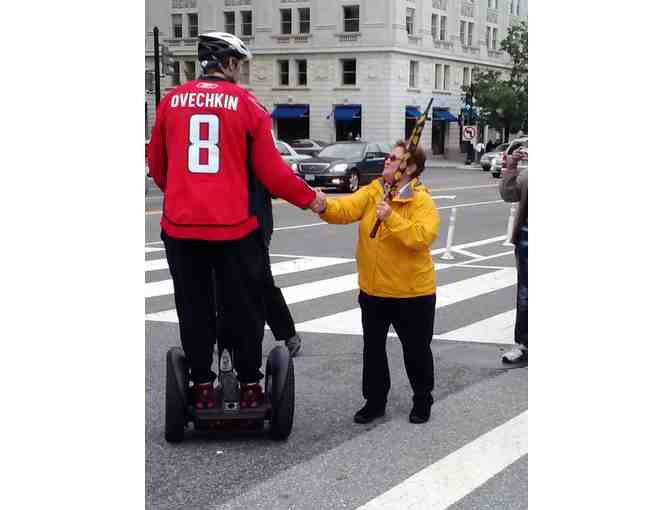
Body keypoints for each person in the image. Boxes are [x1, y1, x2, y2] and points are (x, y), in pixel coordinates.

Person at [148, 32, 325, 410]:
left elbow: (158, 168)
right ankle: (248, 384)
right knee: (244, 307)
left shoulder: (170, 102)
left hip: (181, 228)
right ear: (228, 63)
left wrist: (186, 192)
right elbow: (272, 172)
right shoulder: (248, 105)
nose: (241, 71)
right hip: (234, 229)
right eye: (239, 64)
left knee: (193, 308)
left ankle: (201, 386)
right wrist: (313, 200)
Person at [313, 141, 440, 424]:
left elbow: (421, 238)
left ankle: (422, 398)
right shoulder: (373, 192)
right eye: (388, 157)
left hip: (412, 293)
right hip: (374, 290)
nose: (386, 161)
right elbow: (346, 209)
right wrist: (323, 206)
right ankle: (375, 400)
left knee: (416, 350)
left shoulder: (421, 200)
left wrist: (391, 217)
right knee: (373, 349)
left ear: (410, 169)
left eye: (394, 159)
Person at [499, 147, 528, 363]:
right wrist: (512, 166)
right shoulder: (529, 175)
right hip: (527, 240)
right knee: (525, 294)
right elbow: (509, 194)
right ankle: (523, 343)